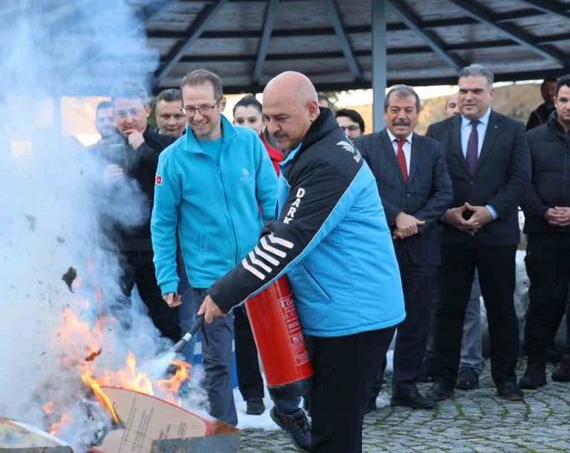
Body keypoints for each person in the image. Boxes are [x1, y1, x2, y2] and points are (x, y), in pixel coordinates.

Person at [197, 71, 405, 452]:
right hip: (335, 310)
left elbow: (289, 241)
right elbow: (290, 219)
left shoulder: (328, 162)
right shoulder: (310, 147)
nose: (272, 128)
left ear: (312, 109)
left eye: (281, 118)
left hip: (355, 316)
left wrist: (224, 294)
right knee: (328, 423)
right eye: (268, 117)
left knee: (334, 434)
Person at [151, 69, 278, 426]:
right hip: (210, 276)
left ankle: (292, 412)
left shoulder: (249, 143)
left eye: (203, 107)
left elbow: (270, 197)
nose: (195, 116)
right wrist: (167, 279)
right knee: (217, 360)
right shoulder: (172, 159)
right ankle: (225, 430)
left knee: (277, 345)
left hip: (258, 266)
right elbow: (162, 222)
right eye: (189, 108)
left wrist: (278, 244)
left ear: (220, 103)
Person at [426, 64, 530, 402]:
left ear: (490, 93)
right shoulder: (438, 131)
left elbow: (519, 180)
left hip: (496, 235)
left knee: (502, 309)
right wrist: (447, 214)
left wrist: (490, 212)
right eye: (463, 90)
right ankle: (443, 378)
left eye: (475, 91)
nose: (468, 96)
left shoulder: (513, 130)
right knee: (448, 309)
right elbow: (430, 181)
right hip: (452, 234)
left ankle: (505, 379)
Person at [356, 85, 453, 410]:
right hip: (379, 249)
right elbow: (362, 191)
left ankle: (406, 387)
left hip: (422, 249)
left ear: (417, 113)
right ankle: (367, 389)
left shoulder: (432, 149)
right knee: (376, 322)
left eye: (408, 110)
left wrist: (415, 221)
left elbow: (444, 193)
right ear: (384, 113)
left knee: (417, 321)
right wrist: (395, 216)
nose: (401, 116)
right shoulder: (364, 146)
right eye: (395, 110)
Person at [89, 82, 182, 344]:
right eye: (121, 114)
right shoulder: (99, 151)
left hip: (159, 252)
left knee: (166, 320)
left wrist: (144, 151)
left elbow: (177, 184)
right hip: (117, 251)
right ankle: (121, 377)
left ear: (146, 110)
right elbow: (85, 197)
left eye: (133, 111)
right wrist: (101, 184)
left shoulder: (166, 146)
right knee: (115, 320)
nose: (128, 119)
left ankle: (172, 378)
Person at [520, 74, 570, 392]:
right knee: (542, 300)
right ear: (555, 100)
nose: (569, 106)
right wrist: (543, 211)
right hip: (543, 232)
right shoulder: (532, 139)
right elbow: (521, 183)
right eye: (563, 99)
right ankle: (535, 365)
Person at [423, 93, 486, 391]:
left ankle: (469, 363)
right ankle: (436, 359)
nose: (454, 111)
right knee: (440, 303)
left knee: (470, 303)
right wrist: (444, 214)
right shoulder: (435, 139)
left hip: (478, 230)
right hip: (440, 231)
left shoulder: (484, 137)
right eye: (450, 107)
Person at [230, 94, 282, 415]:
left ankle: (287, 387)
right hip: (240, 255)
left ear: (264, 123)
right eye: (240, 120)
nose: (246, 126)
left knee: (278, 322)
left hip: (277, 250)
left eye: (252, 120)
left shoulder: (282, 159)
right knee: (244, 326)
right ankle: (252, 395)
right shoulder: (225, 160)